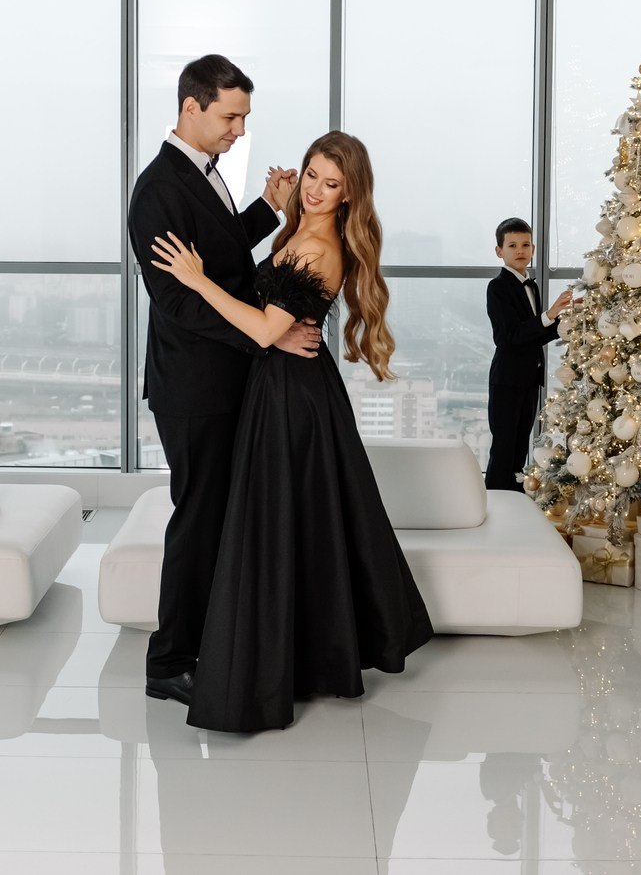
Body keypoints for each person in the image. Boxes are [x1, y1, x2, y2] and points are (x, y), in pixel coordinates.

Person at [148, 130, 433, 733]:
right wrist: (270, 211)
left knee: (281, 519)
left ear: (350, 194)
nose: (317, 191)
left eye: (333, 185)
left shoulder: (318, 248)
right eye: (312, 177)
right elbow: (268, 318)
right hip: (282, 385)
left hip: (291, 395)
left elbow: (260, 328)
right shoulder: (297, 232)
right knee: (296, 520)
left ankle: (281, 659)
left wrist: (197, 280)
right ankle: (301, 652)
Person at [127, 53, 319, 709]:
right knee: (199, 519)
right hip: (193, 386)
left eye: (244, 118)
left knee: (219, 516)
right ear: (192, 107)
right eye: (231, 117)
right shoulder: (157, 190)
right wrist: (267, 334)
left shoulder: (203, 172)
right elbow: (177, 301)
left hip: (225, 377)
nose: (240, 130)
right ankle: (169, 662)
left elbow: (220, 256)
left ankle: (214, 639)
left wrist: (267, 208)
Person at [485, 218, 572, 492]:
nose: (520, 250)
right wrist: (549, 314)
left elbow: (534, 334)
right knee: (503, 449)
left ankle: (514, 500)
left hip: (529, 379)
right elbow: (509, 337)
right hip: (506, 380)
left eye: (525, 245)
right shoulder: (497, 287)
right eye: (512, 245)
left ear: (533, 248)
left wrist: (566, 320)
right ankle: (494, 502)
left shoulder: (531, 286)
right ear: (499, 251)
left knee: (520, 447)